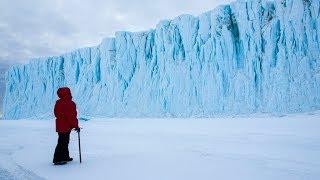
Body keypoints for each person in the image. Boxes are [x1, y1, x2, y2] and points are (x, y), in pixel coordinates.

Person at [53, 87, 80, 165]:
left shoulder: (58, 103)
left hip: (59, 125)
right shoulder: (70, 103)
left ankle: (65, 157)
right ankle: (58, 159)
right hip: (66, 126)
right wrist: (76, 126)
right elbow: (71, 116)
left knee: (63, 141)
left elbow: (56, 113)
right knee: (63, 142)